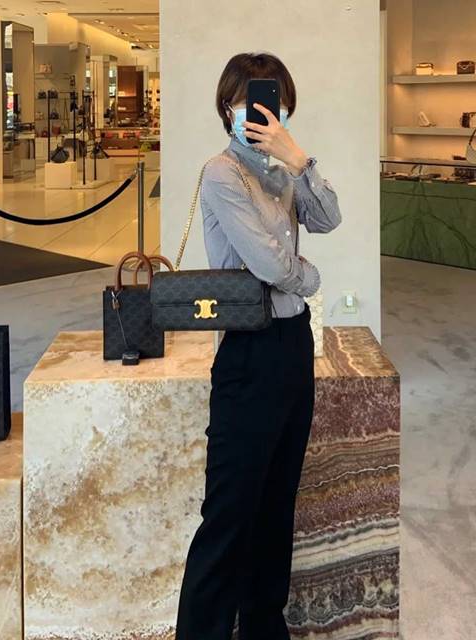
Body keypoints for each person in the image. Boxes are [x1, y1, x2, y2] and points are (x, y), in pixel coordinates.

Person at [175, 51, 342, 640]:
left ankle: (264, 629)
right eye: (254, 102)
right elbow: (272, 265)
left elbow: (329, 219)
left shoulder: (282, 172)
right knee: (229, 515)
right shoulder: (222, 173)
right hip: (248, 352)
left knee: (276, 506)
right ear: (228, 108)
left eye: (277, 103)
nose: (269, 113)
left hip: (292, 343)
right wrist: (311, 277)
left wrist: (299, 160)